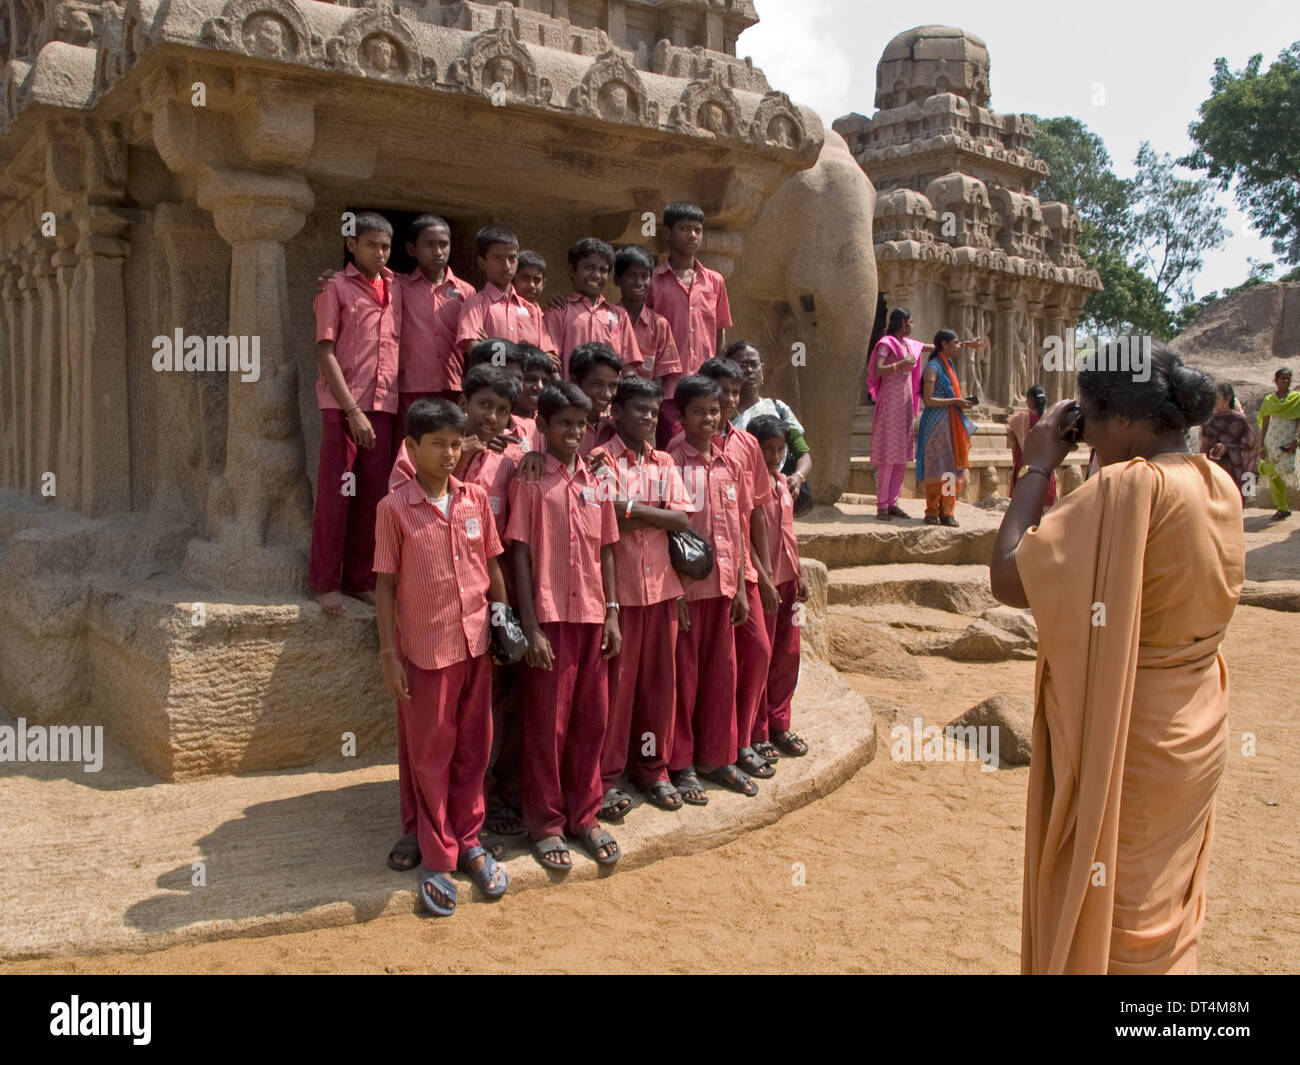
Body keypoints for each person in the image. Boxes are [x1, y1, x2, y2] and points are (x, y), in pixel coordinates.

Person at [989, 343, 1242, 974]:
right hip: (1195, 722)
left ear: (1126, 420)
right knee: (1158, 897)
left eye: (1092, 418)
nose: (1089, 436)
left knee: (1117, 905)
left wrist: (1038, 465)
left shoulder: (1131, 488)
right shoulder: (1217, 481)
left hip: (1133, 729)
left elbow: (1009, 576)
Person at [373, 399, 511, 916]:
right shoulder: (394, 509)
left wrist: (504, 620)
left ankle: (469, 838)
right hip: (427, 651)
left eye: (456, 443)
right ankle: (437, 855)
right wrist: (389, 653)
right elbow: (385, 586)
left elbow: (491, 566)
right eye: (438, 444)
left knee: (475, 747)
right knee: (431, 753)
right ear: (412, 448)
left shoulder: (475, 500)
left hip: (477, 643)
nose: (450, 453)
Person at [506, 381, 623, 871]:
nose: (575, 432)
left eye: (582, 424)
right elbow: (520, 552)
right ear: (544, 427)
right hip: (550, 617)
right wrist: (530, 625)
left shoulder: (597, 482)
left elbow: (608, 549)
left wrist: (613, 611)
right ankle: (546, 822)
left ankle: (585, 815)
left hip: (593, 615)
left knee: (589, 721)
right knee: (546, 726)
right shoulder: (529, 480)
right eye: (565, 424)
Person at [592, 376, 692, 816]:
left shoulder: (665, 461)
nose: (649, 418)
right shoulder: (600, 459)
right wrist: (657, 516)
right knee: (617, 691)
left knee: (659, 687)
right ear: (616, 413)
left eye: (654, 411)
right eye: (639, 410)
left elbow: (684, 519)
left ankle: (654, 769)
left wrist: (632, 512)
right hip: (623, 595)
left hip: (663, 590)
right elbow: (605, 516)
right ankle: (608, 776)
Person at [310, 211, 401, 616]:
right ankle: (325, 582)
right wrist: (351, 410)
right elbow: (324, 352)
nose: (379, 253)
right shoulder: (335, 288)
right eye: (371, 245)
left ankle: (359, 579)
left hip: (383, 405)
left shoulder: (397, 287)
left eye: (385, 246)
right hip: (343, 408)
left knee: (374, 498)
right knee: (337, 496)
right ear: (352, 244)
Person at [668, 375, 753, 804]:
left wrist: (739, 586)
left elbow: (737, 528)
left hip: (723, 589)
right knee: (684, 680)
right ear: (681, 416)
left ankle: (718, 757)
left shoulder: (729, 463)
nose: (708, 418)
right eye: (698, 411)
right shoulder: (670, 462)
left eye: (714, 410)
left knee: (723, 676)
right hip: (686, 592)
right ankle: (681, 764)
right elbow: (663, 535)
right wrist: (676, 593)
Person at [698, 356, 779, 783]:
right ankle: (717, 751)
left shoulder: (746, 444)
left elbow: (756, 513)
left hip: (743, 569)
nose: (729, 399)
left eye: (733, 392)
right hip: (705, 578)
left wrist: (765, 574)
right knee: (718, 667)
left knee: (758, 651)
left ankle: (744, 739)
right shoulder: (685, 445)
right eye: (721, 391)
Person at [746, 415, 810, 762]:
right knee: (762, 655)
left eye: (779, 449)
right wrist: (764, 578)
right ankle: (757, 730)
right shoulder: (749, 487)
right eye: (766, 448)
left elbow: (788, 534)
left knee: (789, 653)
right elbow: (748, 539)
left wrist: (798, 575)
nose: (773, 455)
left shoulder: (783, 483)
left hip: (788, 581)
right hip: (765, 583)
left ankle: (779, 722)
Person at [437, 224, 557, 392]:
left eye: (512, 258)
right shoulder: (475, 305)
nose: (507, 266)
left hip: (528, 396)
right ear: (482, 262)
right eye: (498, 259)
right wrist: (527, 355)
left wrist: (493, 346)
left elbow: (547, 360)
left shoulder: (532, 311)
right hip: (492, 391)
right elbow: (477, 352)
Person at [646, 201, 732, 377]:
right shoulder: (652, 280)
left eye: (697, 230)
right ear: (667, 233)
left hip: (706, 383)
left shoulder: (715, 281)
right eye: (684, 229)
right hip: (666, 384)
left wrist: (720, 377)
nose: (692, 235)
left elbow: (720, 332)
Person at [726, 339, 813, 497]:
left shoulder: (778, 408)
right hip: (734, 492)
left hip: (774, 493)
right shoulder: (720, 414)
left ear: (762, 368)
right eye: (742, 366)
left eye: (754, 365)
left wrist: (798, 477)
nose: (750, 370)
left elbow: (803, 453)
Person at [542, 238, 639, 377]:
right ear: (572, 270)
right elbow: (552, 366)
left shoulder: (620, 315)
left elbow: (628, 367)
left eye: (603, 270)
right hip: (569, 396)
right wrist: (567, 396)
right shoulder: (558, 312)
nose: (596, 275)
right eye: (588, 267)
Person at [916, 330, 977, 527]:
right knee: (937, 466)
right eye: (956, 343)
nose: (959, 346)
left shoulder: (949, 366)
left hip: (950, 422)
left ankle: (947, 512)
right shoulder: (933, 368)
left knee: (951, 469)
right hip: (936, 422)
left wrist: (960, 403)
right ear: (944, 344)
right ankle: (932, 511)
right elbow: (928, 399)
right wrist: (955, 401)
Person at [614, 244, 682, 394]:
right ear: (617, 279)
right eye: (631, 275)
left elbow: (660, 377)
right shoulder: (607, 319)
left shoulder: (659, 325)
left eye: (644, 276)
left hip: (645, 405)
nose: (639, 282)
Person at [1200, 382, 1259, 505]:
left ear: (1227, 399)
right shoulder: (1207, 420)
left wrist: (1227, 447)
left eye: (1216, 398)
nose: (1213, 402)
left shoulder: (1238, 419)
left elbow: (1250, 445)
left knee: (1234, 504)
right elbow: (1204, 446)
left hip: (1234, 471)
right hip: (1213, 469)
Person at [1258, 367, 1300, 520]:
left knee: (1287, 469)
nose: (1286, 381)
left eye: (1289, 378)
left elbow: (1299, 420)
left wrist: (1296, 439)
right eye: (1283, 378)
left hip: (1289, 442)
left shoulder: (1297, 399)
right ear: (1275, 381)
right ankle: (1282, 508)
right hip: (1272, 441)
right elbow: (1265, 422)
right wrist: (1261, 445)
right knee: (1275, 479)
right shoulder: (1269, 400)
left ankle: (1261, 468)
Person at [1008, 385, 1058, 506]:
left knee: (1023, 497)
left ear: (1030, 400)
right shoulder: (1051, 417)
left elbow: (1010, 435)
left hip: (1025, 460)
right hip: (1044, 461)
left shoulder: (1021, 417)